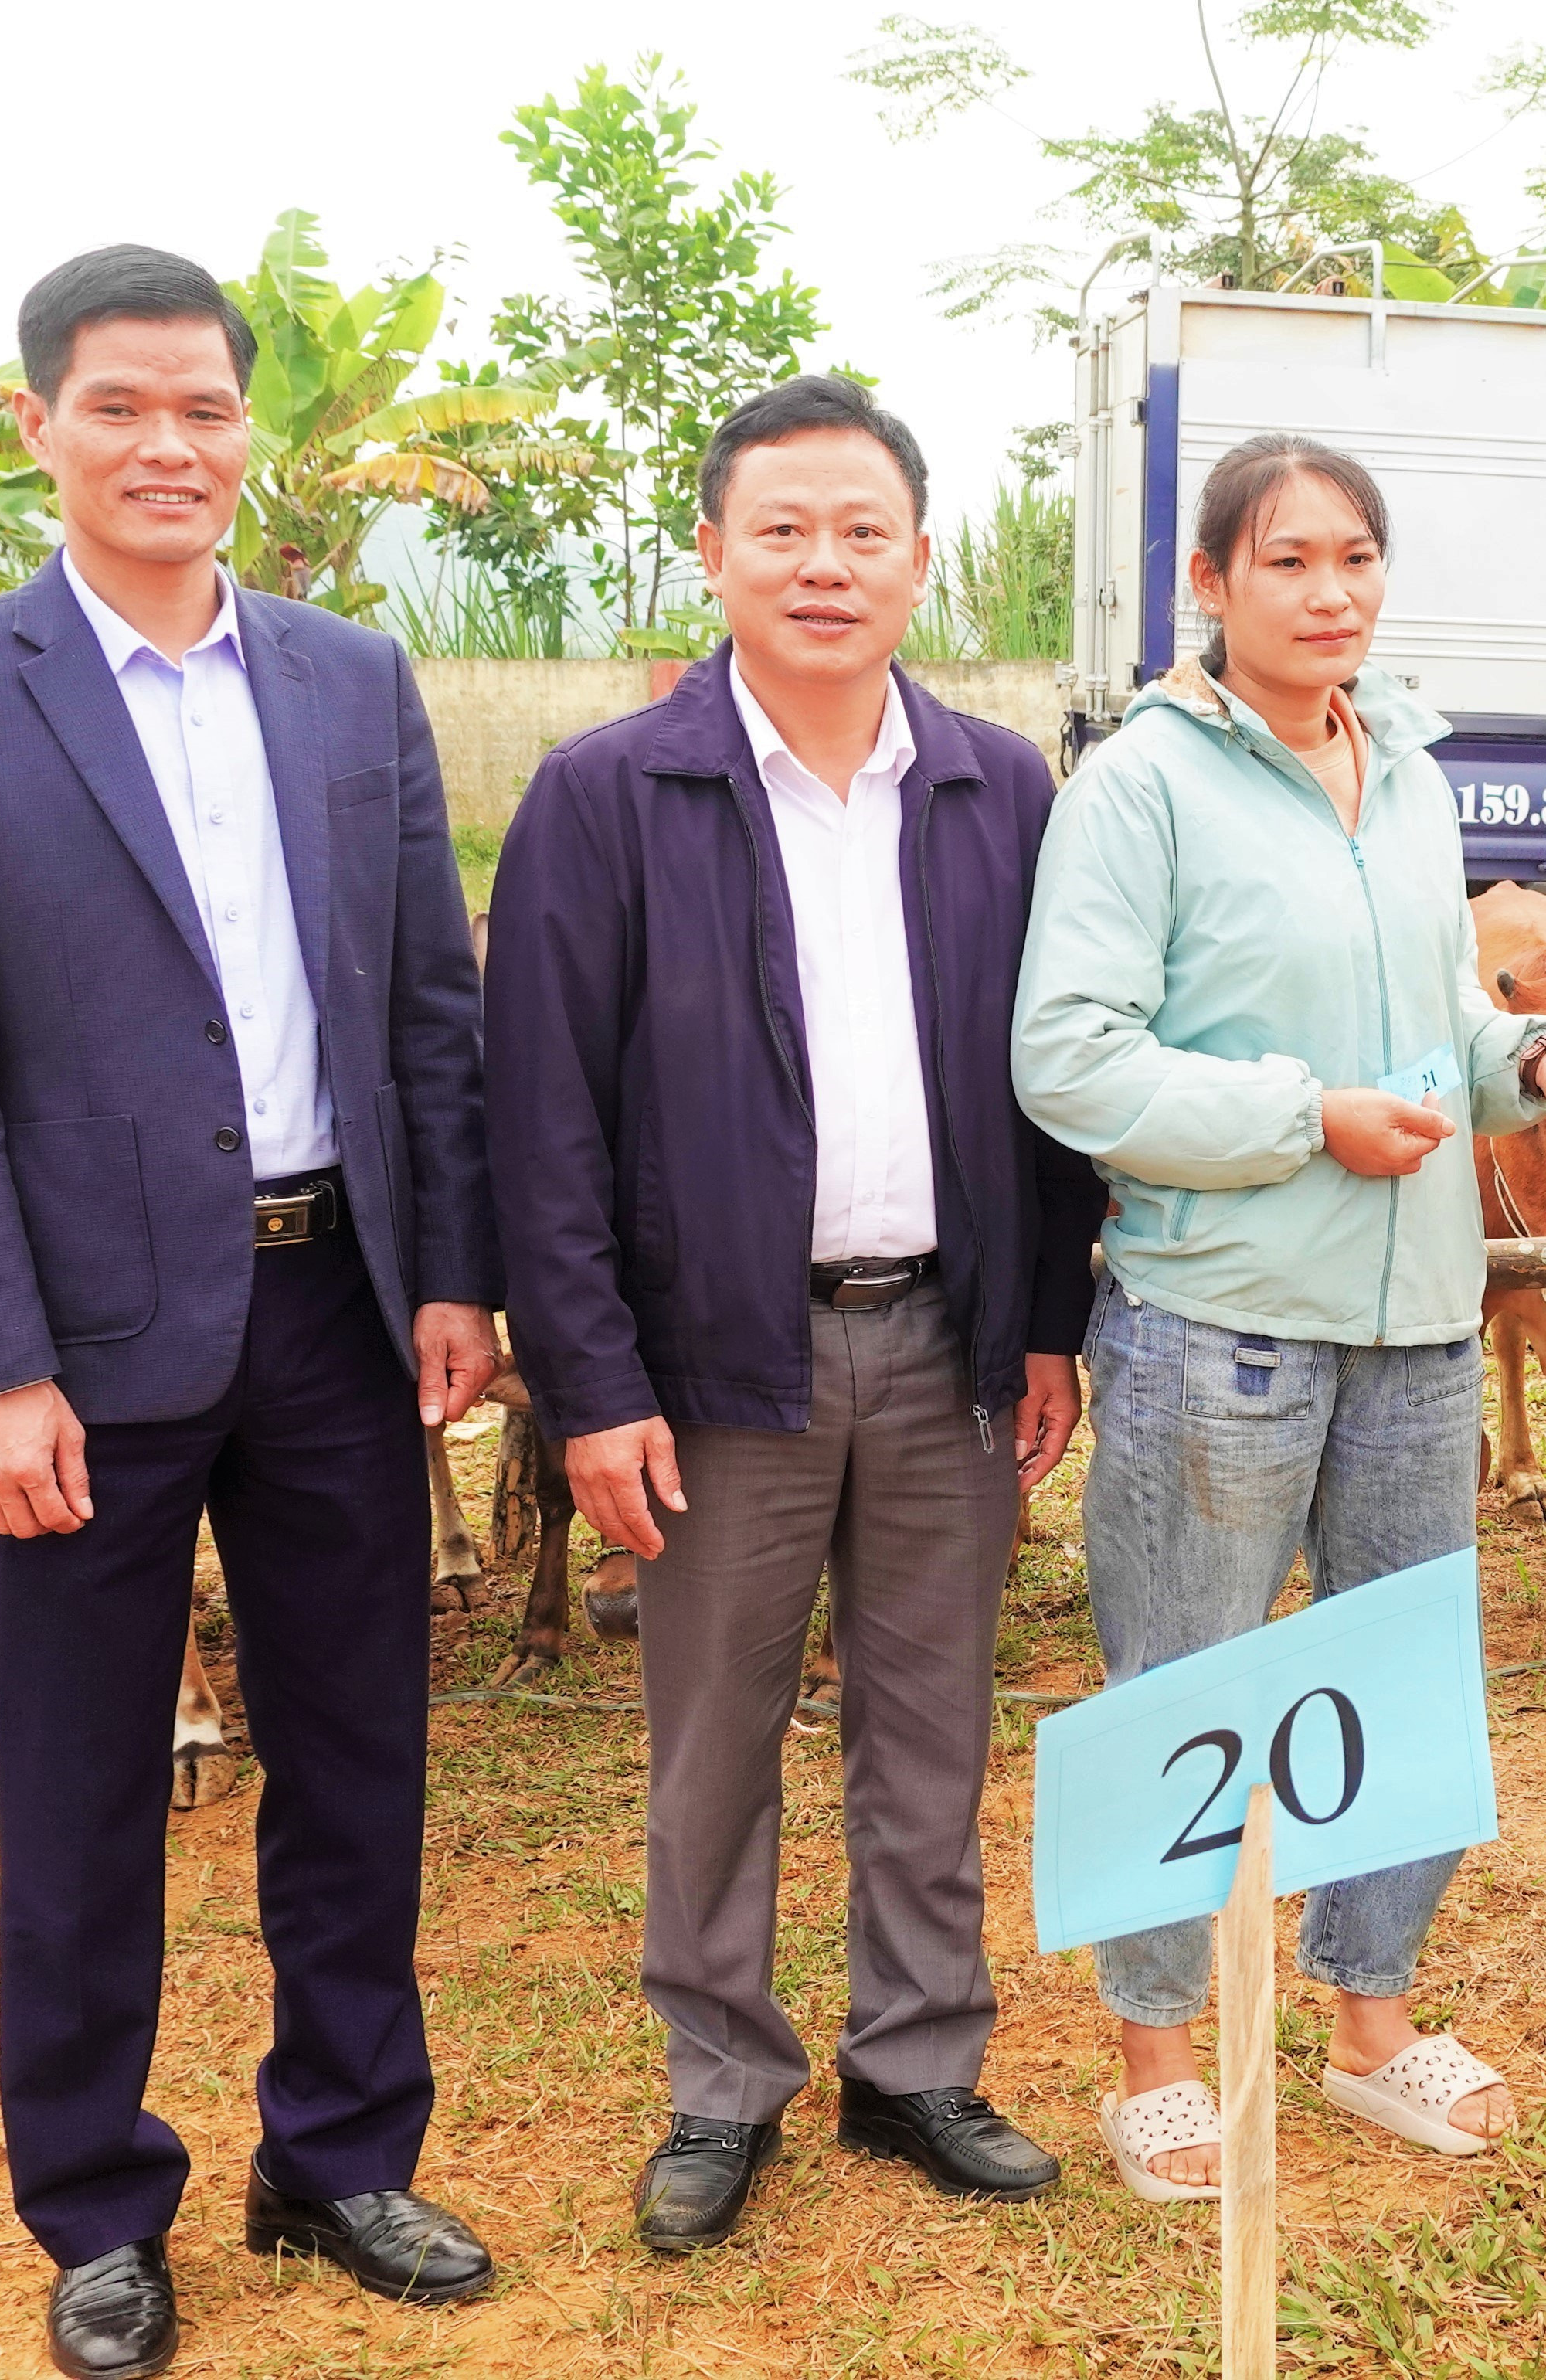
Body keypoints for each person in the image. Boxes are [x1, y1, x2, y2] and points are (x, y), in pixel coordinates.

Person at [0, 247, 503, 2380]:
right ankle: (98, 2206)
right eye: (121, 407)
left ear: (248, 434)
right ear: (36, 428)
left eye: (206, 410)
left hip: (335, 1316)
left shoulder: (345, 681)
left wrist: (457, 1273)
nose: (169, 447)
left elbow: (424, 1012)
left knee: (356, 1761)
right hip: (84, 1357)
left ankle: (339, 2148)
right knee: (86, 1786)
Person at [482, 376, 1103, 2248]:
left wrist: (1049, 1319)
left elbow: (1050, 1083)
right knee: (713, 1743)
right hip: (712, 1364)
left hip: (947, 1341)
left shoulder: (1003, 786)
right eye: (784, 531)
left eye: (864, 533)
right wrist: (591, 1383)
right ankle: (721, 2080)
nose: (825, 567)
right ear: (713, 553)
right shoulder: (611, 793)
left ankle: (919, 2061)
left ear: (921, 557)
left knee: (930, 1728)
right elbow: (545, 1122)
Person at [1013, 432, 1546, 2202]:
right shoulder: (1142, 786)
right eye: (1288, 560)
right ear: (1210, 584)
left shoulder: (1409, 769)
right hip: (1222, 1318)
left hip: (1421, 1315)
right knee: (1181, 1693)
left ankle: (1371, 2022)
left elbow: (1437, 1021)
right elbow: (1070, 1057)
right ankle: (1155, 2059)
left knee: (1401, 1684)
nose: (1332, 591)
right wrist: (1306, 1121)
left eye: (1357, 556)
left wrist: (1539, 1062)